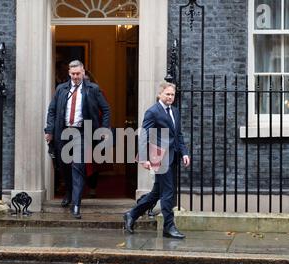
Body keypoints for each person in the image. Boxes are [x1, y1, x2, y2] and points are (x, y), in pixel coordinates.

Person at [124, 82, 190, 239]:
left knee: (156, 193)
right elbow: (144, 135)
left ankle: (131, 214)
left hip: (172, 156)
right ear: (160, 94)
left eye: (172, 95)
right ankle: (169, 227)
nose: (170, 97)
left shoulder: (175, 111)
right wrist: (144, 158)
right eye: (167, 94)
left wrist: (184, 153)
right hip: (159, 158)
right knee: (168, 192)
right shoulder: (152, 111)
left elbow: (178, 134)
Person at [45, 60, 111, 219]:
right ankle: (69, 192)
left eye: (78, 74)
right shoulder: (61, 89)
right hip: (63, 132)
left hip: (82, 133)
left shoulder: (93, 89)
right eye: (73, 74)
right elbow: (52, 111)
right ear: (69, 73)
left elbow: (106, 109)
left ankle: (76, 204)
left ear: (83, 73)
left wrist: (103, 128)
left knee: (78, 166)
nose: (75, 76)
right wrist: (49, 130)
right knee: (64, 166)